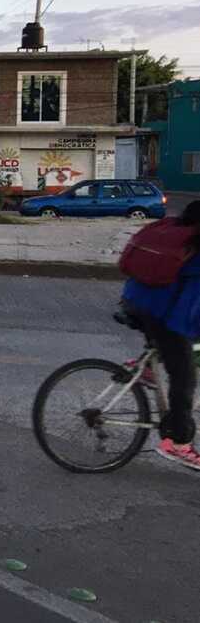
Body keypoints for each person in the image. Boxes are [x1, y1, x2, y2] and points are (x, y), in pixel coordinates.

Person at [122, 200, 200, 470]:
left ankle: (146, 367)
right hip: (158, 314)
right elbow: (187, 311)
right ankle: (177, 443)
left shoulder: (173, 230)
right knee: (184, 376)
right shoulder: (195, 250)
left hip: (133, 300)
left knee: (171, 343)